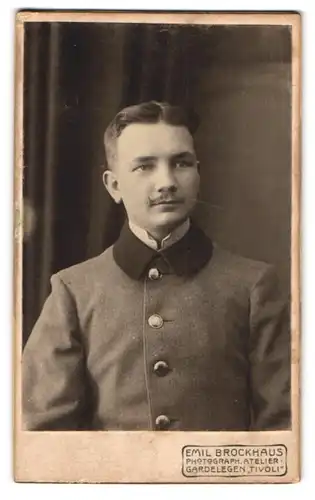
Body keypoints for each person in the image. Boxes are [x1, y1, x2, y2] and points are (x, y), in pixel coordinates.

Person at [22, 101, 291, 431]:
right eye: (144, 166)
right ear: (114, 186)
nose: (167, 182)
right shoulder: (74, 292)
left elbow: (285, 430)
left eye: (181, 163)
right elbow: (44, 436)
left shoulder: (253, 286)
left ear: (198, 174)